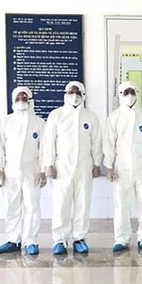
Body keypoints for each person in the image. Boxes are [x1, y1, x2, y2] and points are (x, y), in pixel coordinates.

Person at [43, 81, 103, 255]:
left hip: (84, 166)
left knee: (83, 202)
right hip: (61, 166)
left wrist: (97, 163)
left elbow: (96, 141)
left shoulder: (90, 116)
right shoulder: (56, 115)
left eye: (78, 92)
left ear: (83, 95)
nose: (74, 95)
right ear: (65, 94)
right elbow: (49, 141)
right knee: (61, 203)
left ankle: (79, 238)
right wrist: (49, 164)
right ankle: (60, 239)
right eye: (71, 91)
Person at [103, 81, 142, 252]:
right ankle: (121, 238)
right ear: (120, 94)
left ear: (137, 93)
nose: (129, 96)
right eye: (125, 92)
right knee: (121, 204)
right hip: (122, 168)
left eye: (132, 92)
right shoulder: (114, 117)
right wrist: (108, 166)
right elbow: (109, 143)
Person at [0, 86, 46, 255]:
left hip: (32, 170)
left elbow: (44, 148)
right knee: (12, 206)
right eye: (18, 98)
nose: (21, 101)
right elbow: (0, 146)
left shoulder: (39, 123)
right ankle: (13, 239)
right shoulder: (5, 121)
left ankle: (31, 240)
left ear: (31, 100)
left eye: (25, 98)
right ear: (13, 100)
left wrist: (43, 170)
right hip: (10, 171)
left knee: (32, 205)